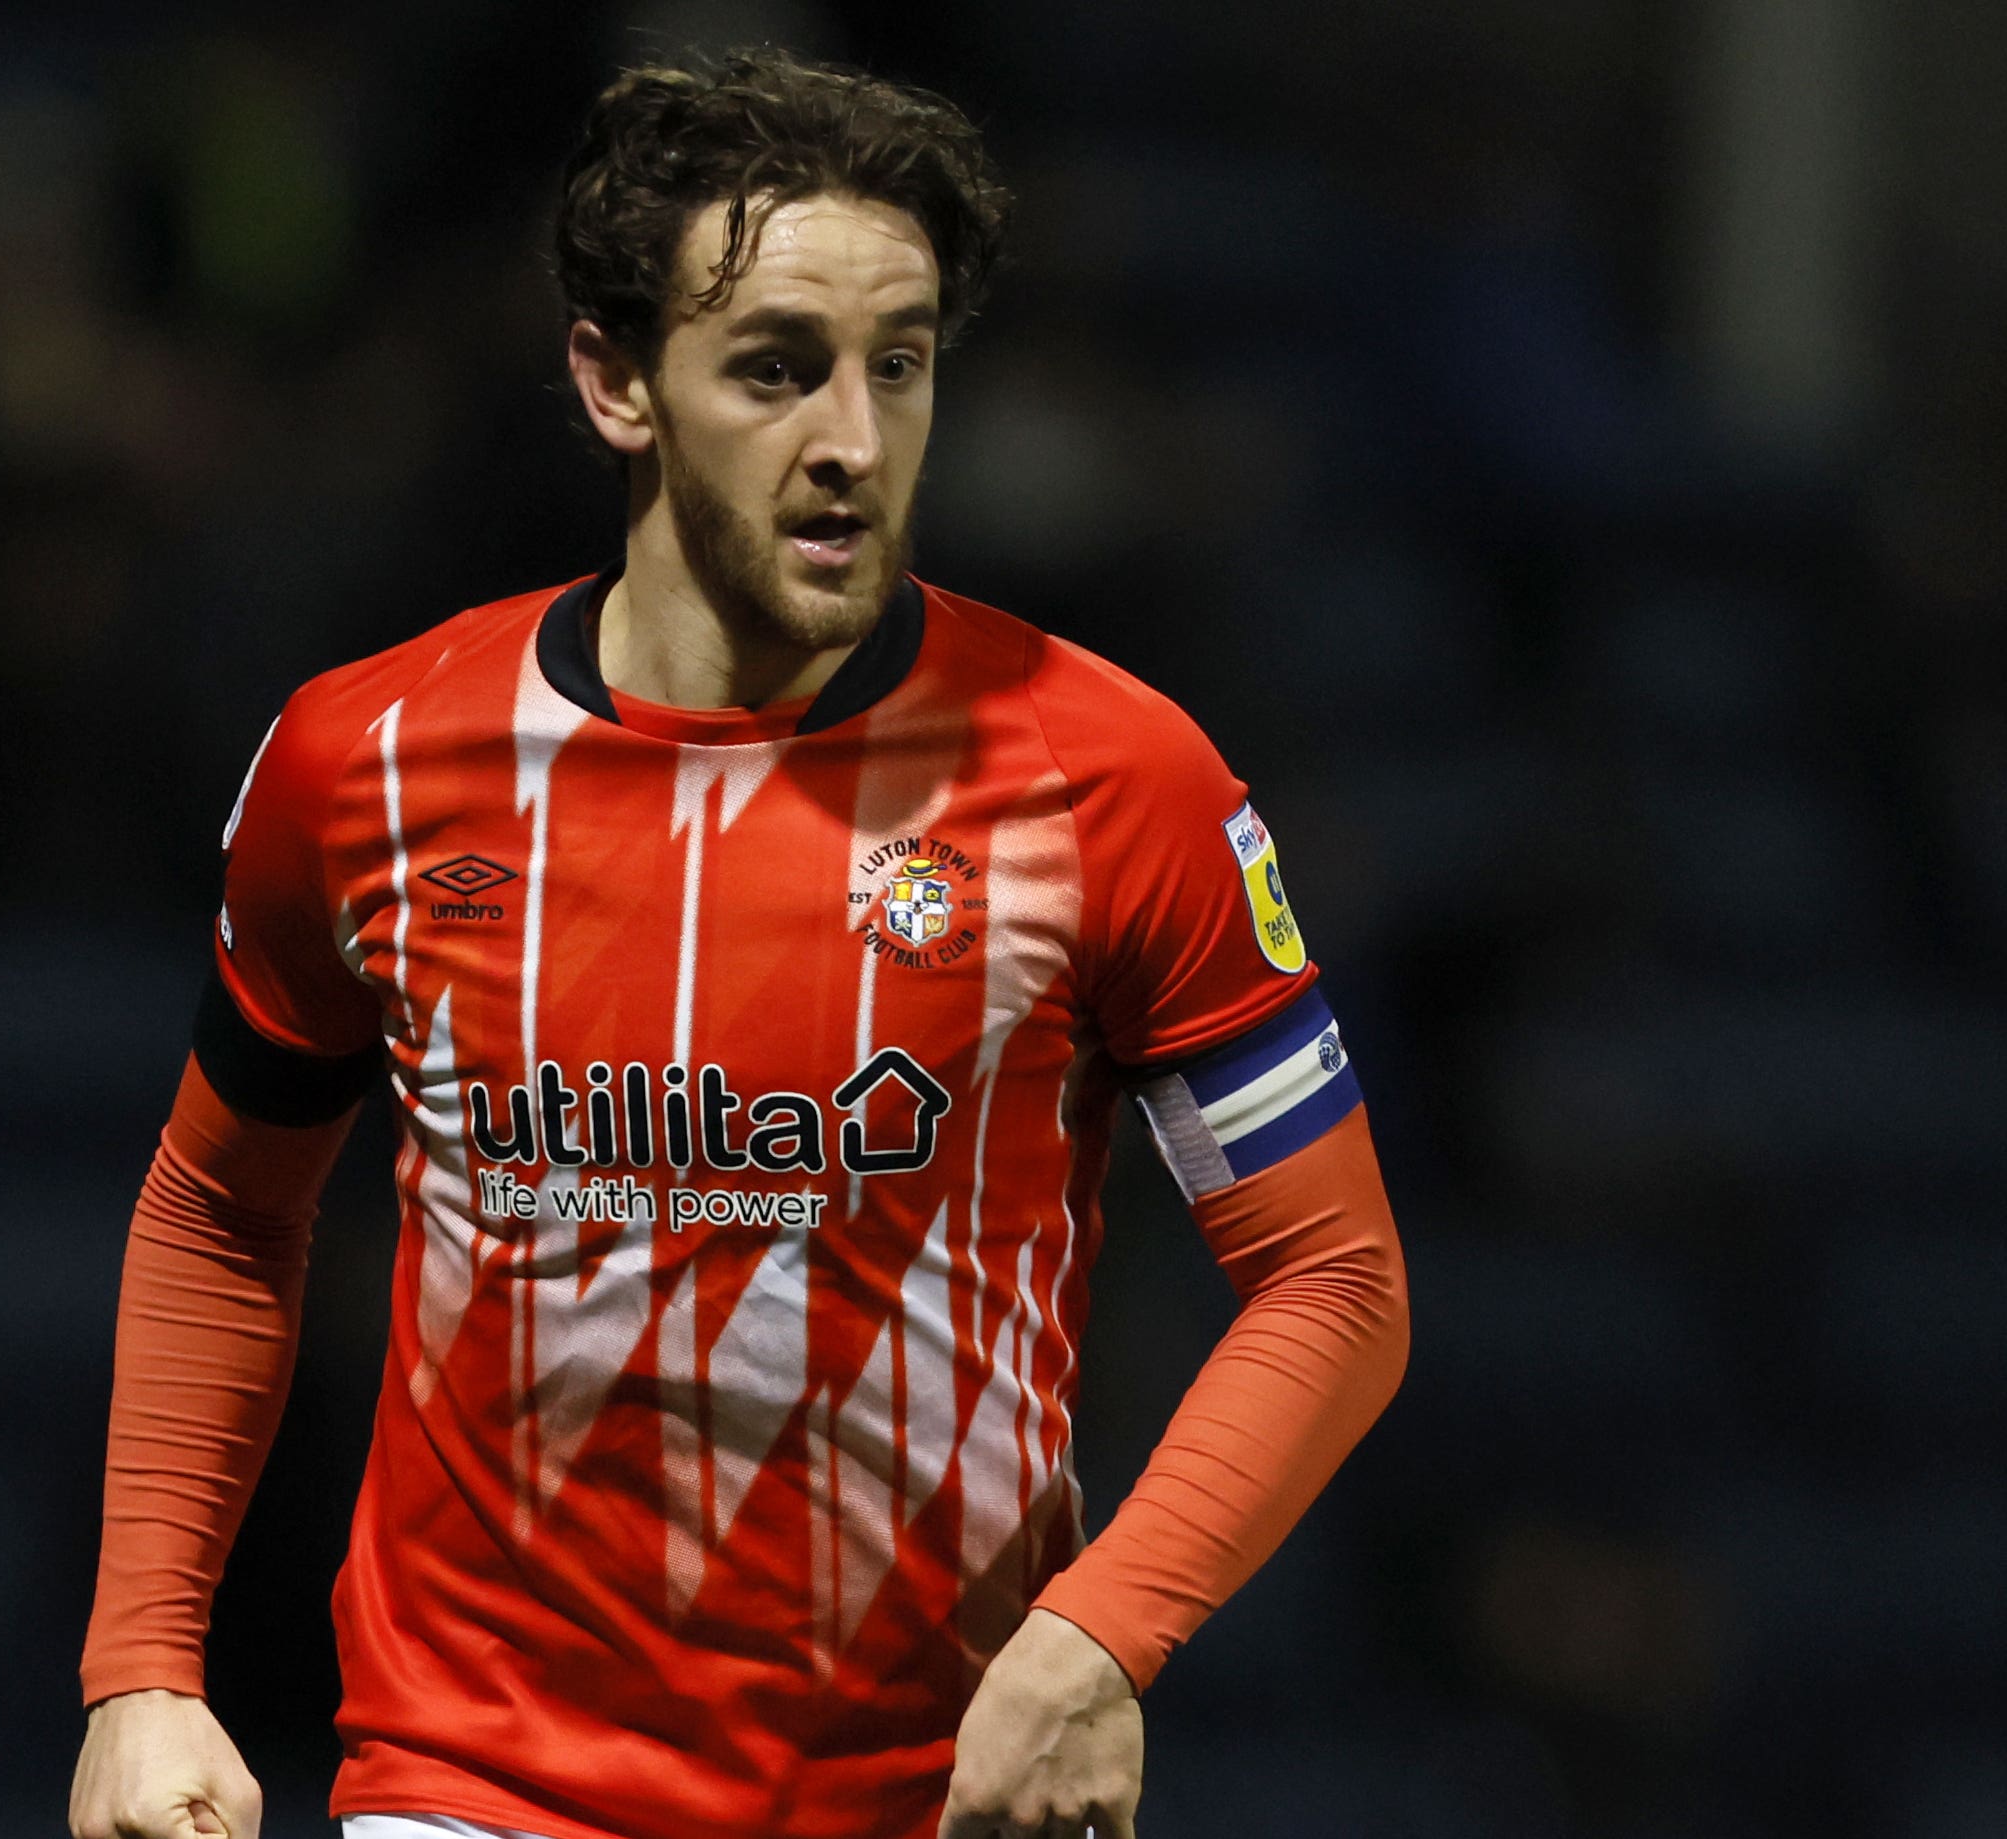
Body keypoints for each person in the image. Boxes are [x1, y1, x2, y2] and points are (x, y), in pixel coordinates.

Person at [69, 48, 1409, 1839]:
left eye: (901, 364)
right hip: (473, 1789)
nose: (851, 438)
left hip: (934, 1803)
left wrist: (1099, 1637)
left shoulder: (1110, 777)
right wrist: (145, 1671)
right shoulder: (369, 763)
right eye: (775, 368)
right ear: (615, 379)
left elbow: (1334, 1282)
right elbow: (224, 1208)